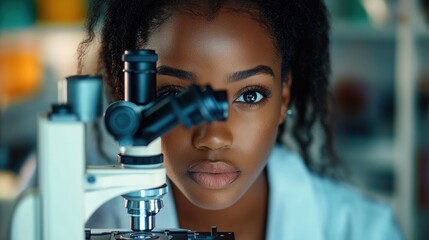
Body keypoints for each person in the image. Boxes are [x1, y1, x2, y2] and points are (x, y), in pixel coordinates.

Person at [77, 0, 403, 239]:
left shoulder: (363, 230)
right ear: (130, 98)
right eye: (175, 96)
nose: (214, 137)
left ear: (283, 97)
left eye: (249, 95)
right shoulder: (75, 213)